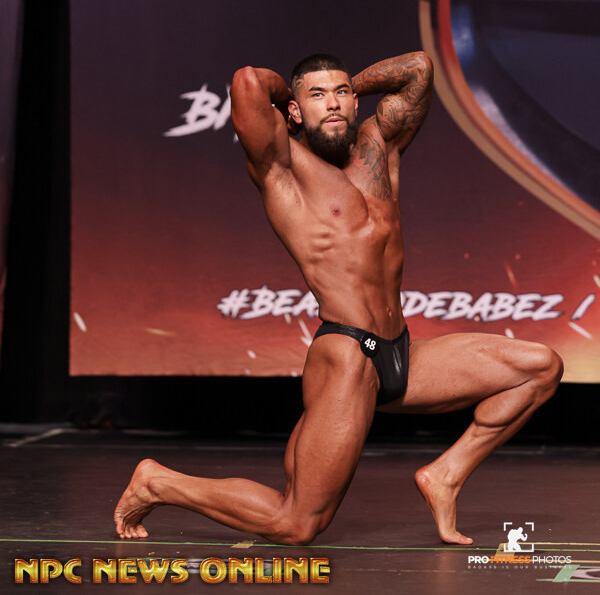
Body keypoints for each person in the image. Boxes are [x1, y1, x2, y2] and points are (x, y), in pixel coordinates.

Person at [114, 52, 563, 545]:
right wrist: (292, 96)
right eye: (317, 95)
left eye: (341, 93)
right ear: (293, 110)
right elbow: (247, 82)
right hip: (349, 356)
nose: (332, 103)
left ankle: (445, 476)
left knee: (539, 368)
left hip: (402, 353)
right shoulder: (282, 165)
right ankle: (158, 482)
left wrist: (348, 88)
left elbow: (418, 68)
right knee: (297, 523)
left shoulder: (379, 146)